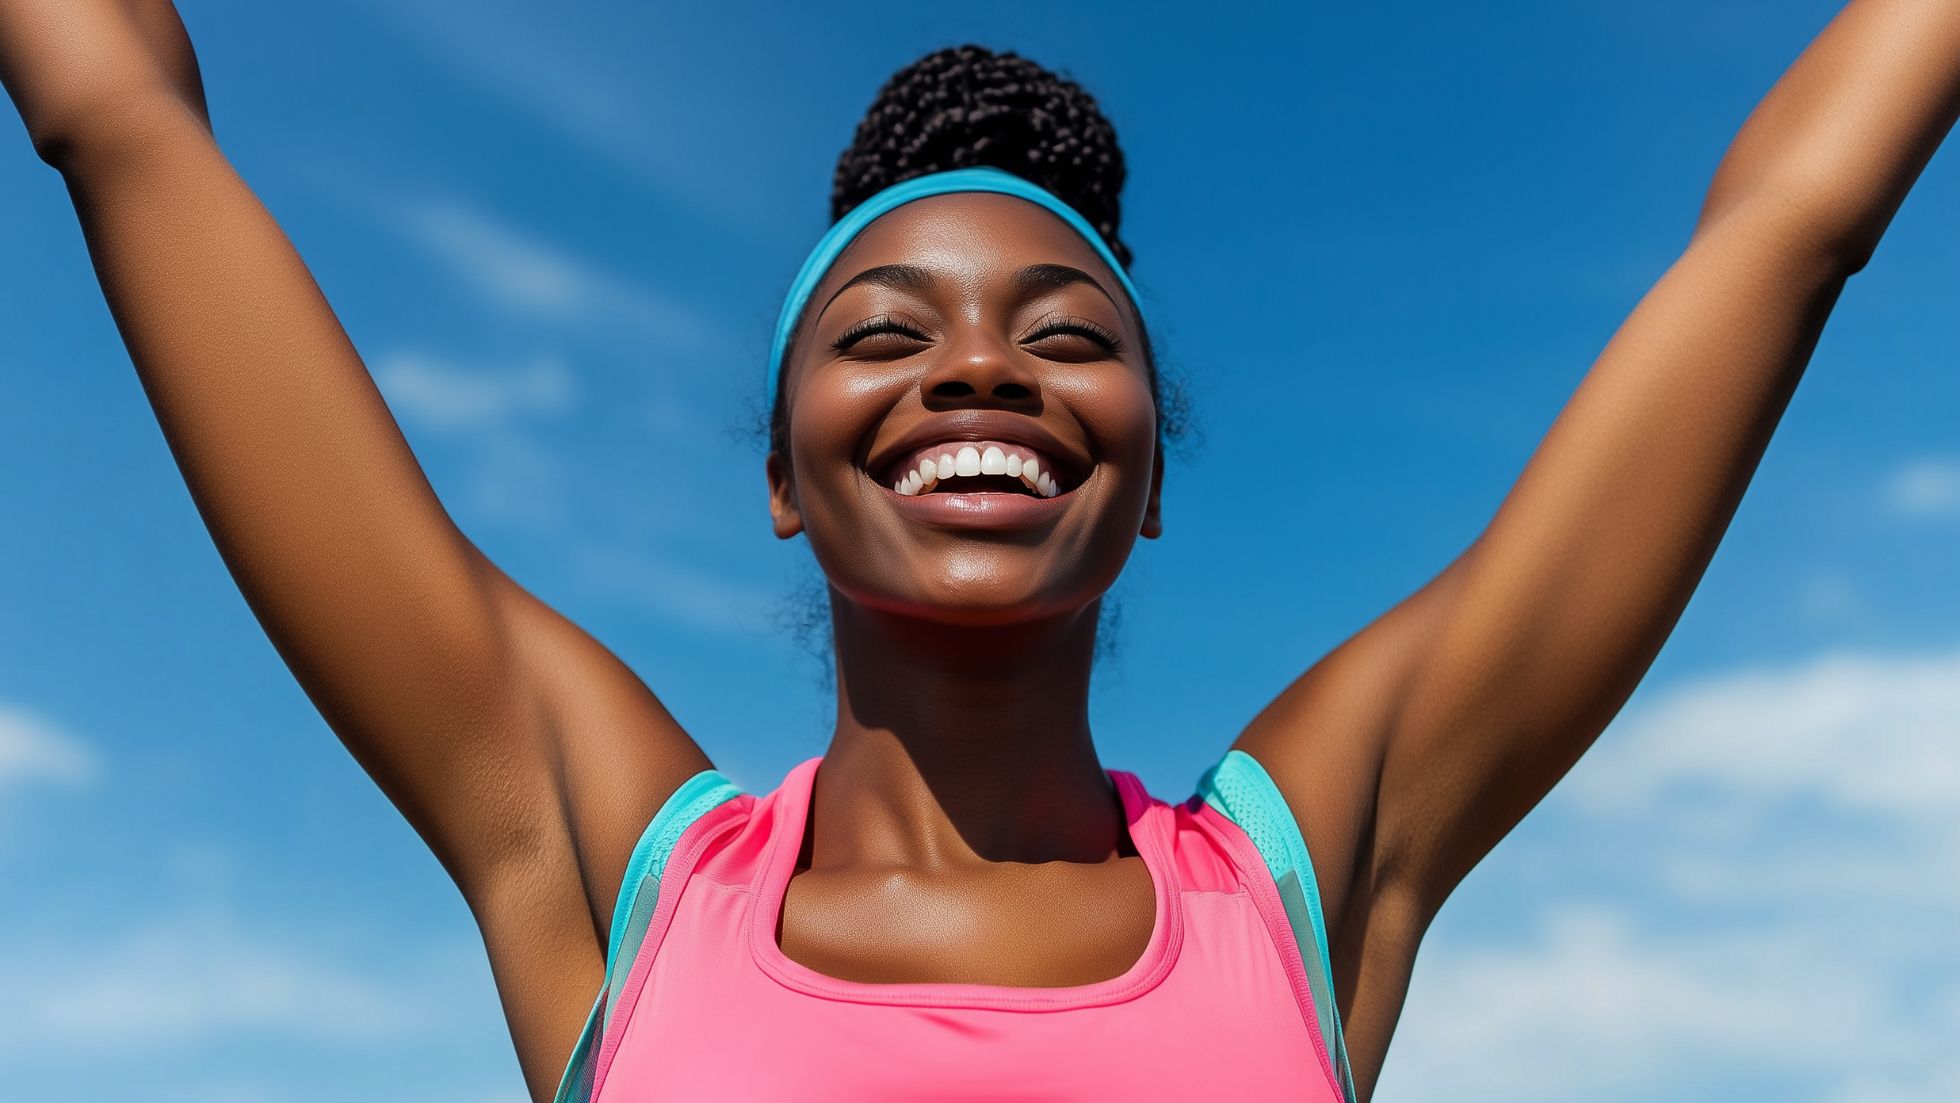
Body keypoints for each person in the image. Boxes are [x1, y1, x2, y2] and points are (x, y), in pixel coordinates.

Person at [3, 3, 1956, 1100]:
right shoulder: (622, 876)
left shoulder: (1294, 880)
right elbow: (121, 126)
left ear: (1149, 477)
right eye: (882, 334)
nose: (977, 372)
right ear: (781, 468)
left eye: (1064, 334)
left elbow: (1778, 233)